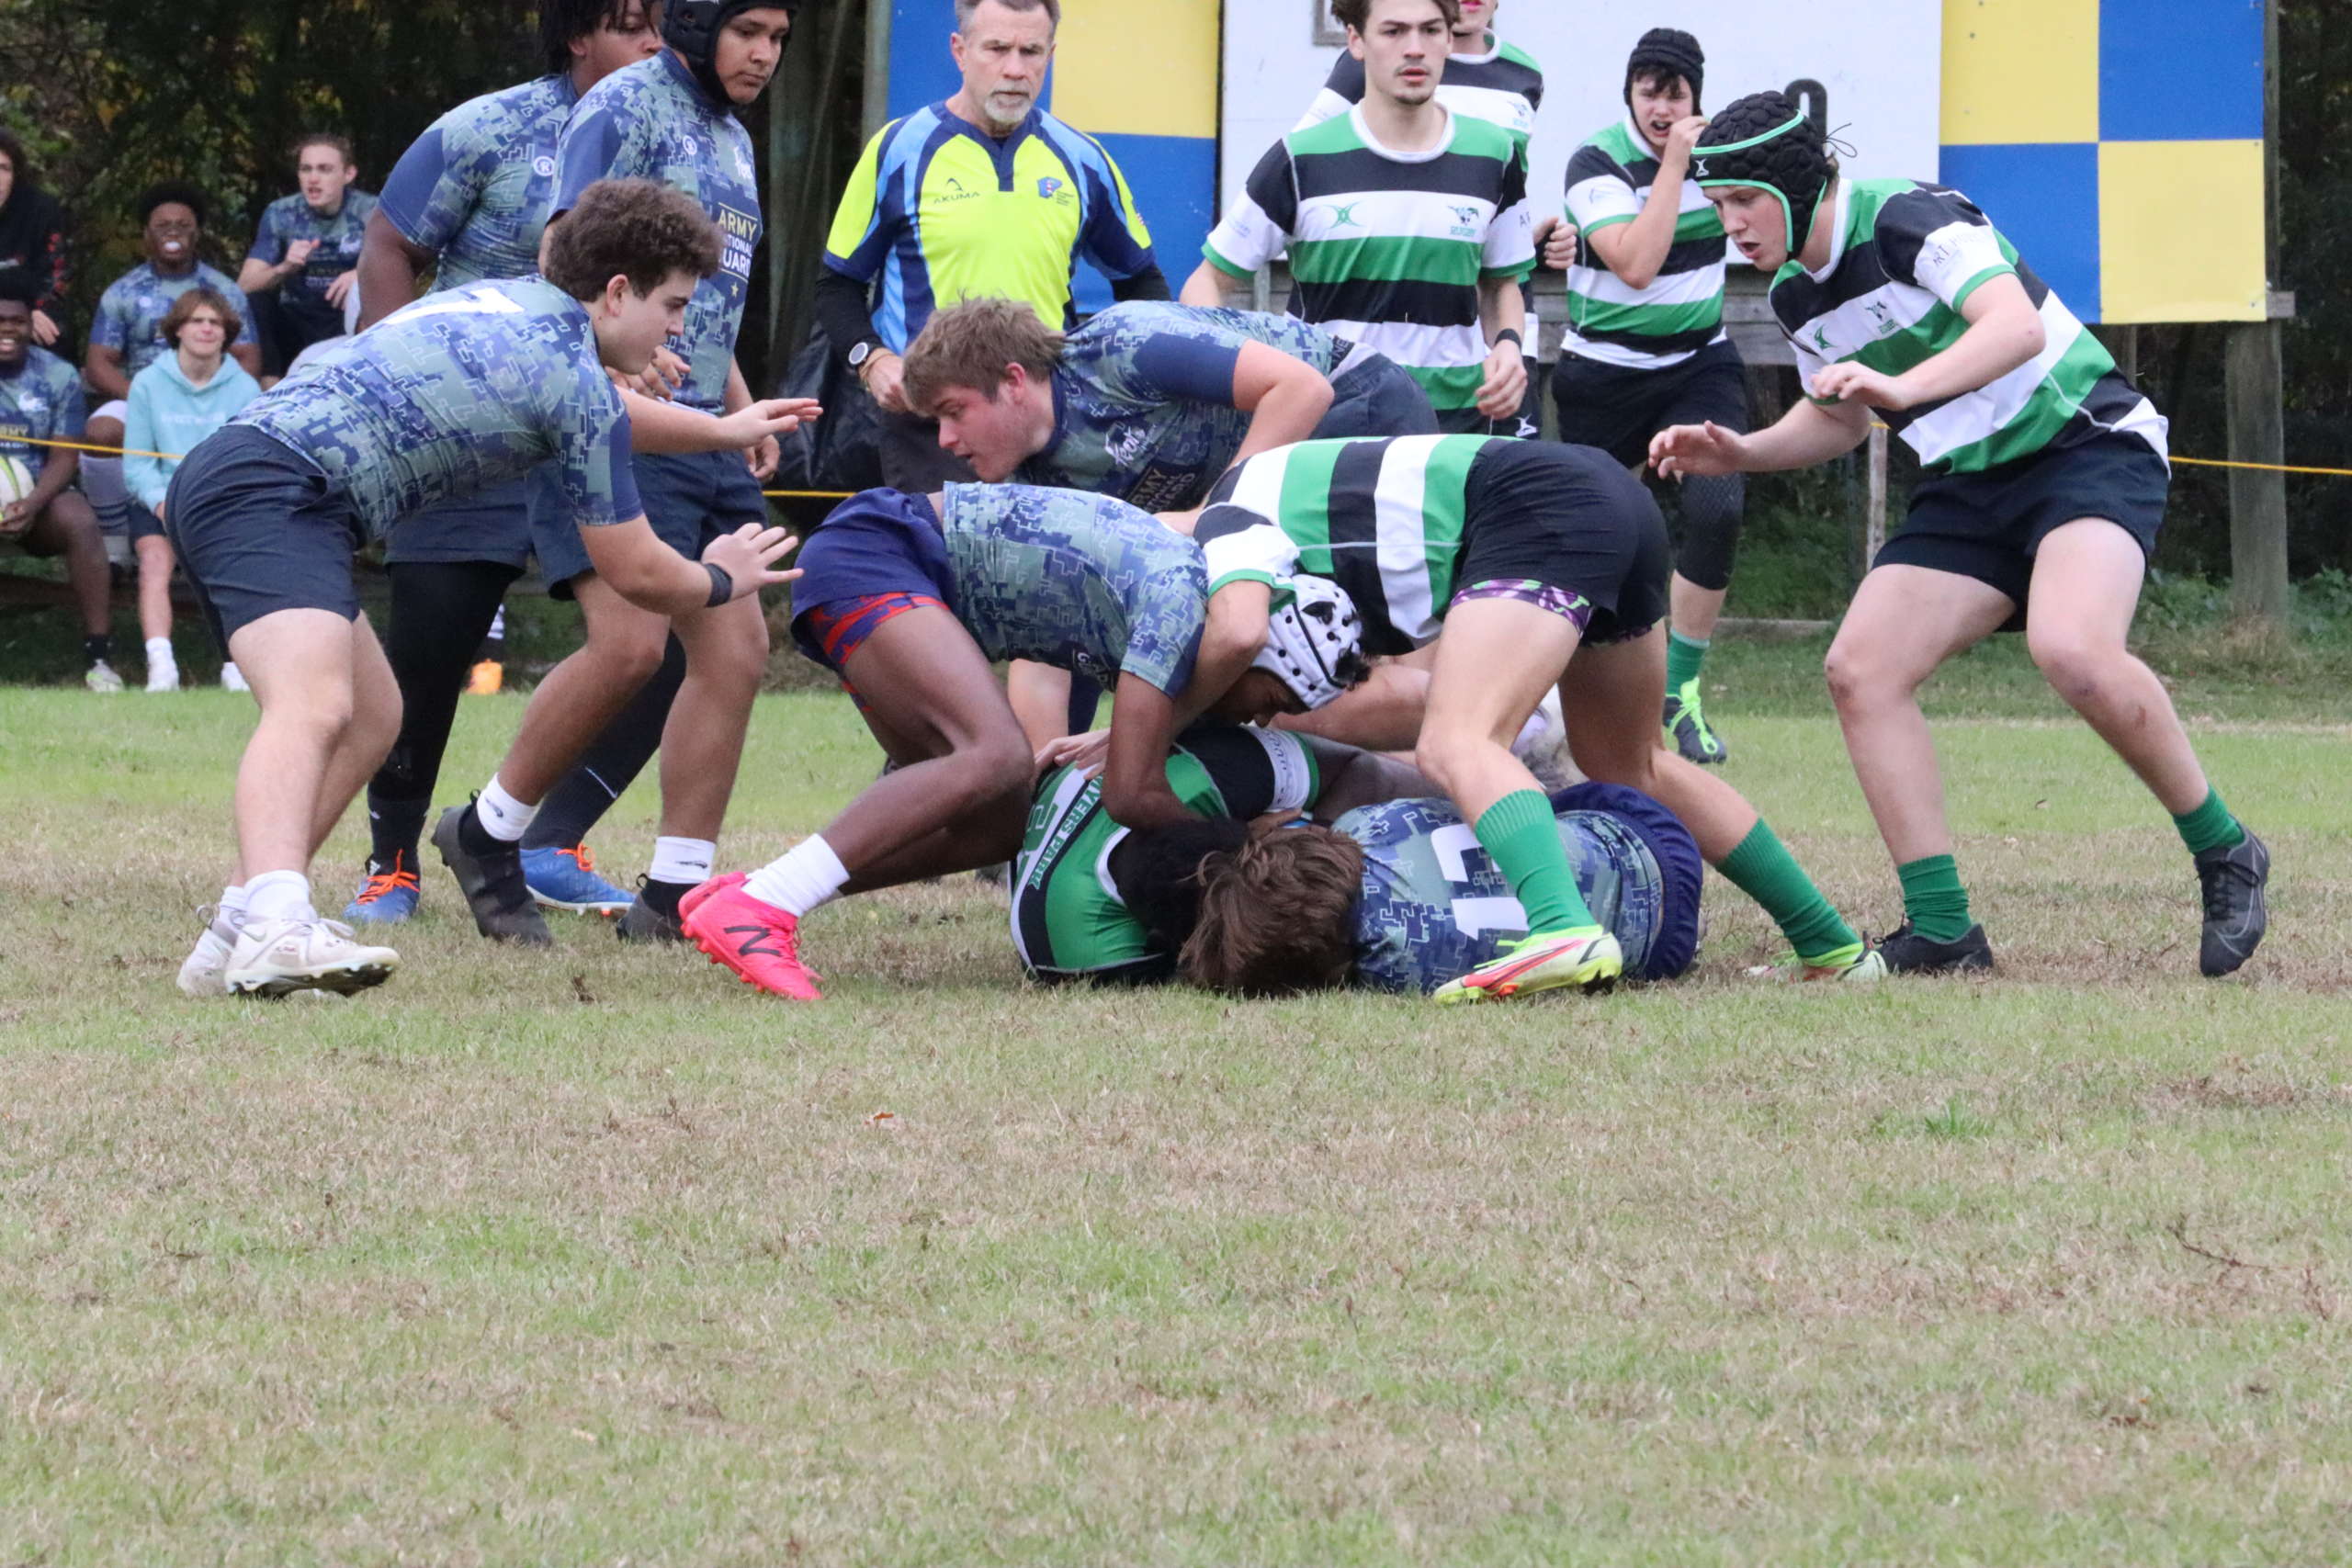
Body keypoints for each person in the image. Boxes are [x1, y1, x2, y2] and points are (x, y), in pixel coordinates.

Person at [1654, 93, 2270, 978]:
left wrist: (1904, 389)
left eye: (1743, 201)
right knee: (1860, 669)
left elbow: (2014, 326)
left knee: (2072, 648)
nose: (1731, 226)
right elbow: (1839, 417)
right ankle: (1945, 931)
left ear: (1792, 186)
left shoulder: (1909, 218)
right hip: (1968, 484)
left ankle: (2226, 848)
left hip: (2084, 446)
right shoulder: (1793, 294)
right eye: (1718, 207)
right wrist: (1741, 452)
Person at [164, 178, 812, 1001]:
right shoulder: (571, 378)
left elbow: (607, 413)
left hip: (254, 475)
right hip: (271, 489)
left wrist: (721, 430)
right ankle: (275, 925)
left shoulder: (514, 302)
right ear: (617, 293)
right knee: (315, 704)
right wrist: (722, 578)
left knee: (374, 715)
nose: (681, 328)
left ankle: (234, 930)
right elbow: (638, 569)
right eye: (674, 305)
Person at [1193, 433, 1879, 999]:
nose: (1259, 717)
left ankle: (1561, 928)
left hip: (1539, 509)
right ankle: (1831, 946)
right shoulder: (1271, 544)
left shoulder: (1212, 536)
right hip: (1602, 496)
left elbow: (1238, 636)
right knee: (1632, 764)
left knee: (1458, 741)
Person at [677, 482, 1370, 1001]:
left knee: (999, 820)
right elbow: (1131, 795)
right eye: (1273, 700)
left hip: (886, 565)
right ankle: (764, 905)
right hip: (881, 551)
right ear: (1262, 658)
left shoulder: (1190, 615)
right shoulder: (1181, 610)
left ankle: (752, 892)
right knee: (998, 756)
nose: (1263, 721)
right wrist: (1249, 847)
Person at [435, 0, 800, 950]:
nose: (764, 54)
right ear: (697, 23)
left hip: (704, 429)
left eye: (778, 38)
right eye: (748, 32)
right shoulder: (623, 103)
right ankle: (487, 831)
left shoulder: (734, 137)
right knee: (631, 646)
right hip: (614, 419)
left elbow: (701, 296)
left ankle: (675, 893)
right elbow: (562, 250)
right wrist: (607, 364)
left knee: (737, 648)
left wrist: (737, 406)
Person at [342, 0, 668, 930]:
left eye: (662, 24)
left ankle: (545, 839)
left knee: (661, 634)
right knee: (431, 647)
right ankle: (391, 862)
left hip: (599, 424)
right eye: (632, 24)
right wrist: (404, 381)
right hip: (469, 422)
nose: (654, 43)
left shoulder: (674, 140)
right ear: (578, 35)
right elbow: (390, 244)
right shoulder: (488, 128)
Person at [816, 0, 1168, 492]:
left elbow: (1142, 285)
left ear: (1050, 55)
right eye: (997, 49)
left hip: (1048, 424)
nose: (1015, 69)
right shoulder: (899, 150)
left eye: (1031, 52)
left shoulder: (1082, 158)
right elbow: (837, 286)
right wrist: (871, 360)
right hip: (934, 425)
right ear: (959, 51)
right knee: (945, 545)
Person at [1184, 0, 1533, 438]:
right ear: (1356, 41)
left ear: (1449, 39)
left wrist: (1508, 345)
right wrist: (1231, 376)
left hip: (1452, 429)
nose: (1414, 48)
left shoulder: (1495, 153)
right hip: (1329, 426)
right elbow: (1208, 281)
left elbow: (1501, 284)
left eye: (1430, 30)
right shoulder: (1300, 157)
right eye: (1393, 31)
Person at [1544, 29, 1747, 767]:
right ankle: (1565, 697)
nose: (1661, 108)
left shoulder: (1723, 156)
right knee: (1593, 540)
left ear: (1697, 96)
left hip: (1698, 365)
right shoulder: (1596, 161)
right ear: (1629, 93)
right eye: (1648, 92)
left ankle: (1681, 692)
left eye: (1675, 93)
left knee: (1717, 506)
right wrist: (1674, 166)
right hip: (1604, 374)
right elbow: (1635, 263)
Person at [1172, 780, 1705, 997]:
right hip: (1648, 837)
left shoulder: (1389, 975)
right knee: (1524, 804)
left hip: (1662, 948)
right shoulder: (1371, 826)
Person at [903, 296, 1433, 509]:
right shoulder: (1031, 483)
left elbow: (1301, 389)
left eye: (954, 412)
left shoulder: (1124, 347)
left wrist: (1214, 514)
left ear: (1013, 381)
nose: (945, 441)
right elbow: (1046, 664)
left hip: (1358, 400)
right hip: (1277, 468)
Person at [1296, 0, 1547, 440]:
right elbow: (1305, 172)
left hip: (1493, 312)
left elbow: (1501, 200)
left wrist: (1537, 235)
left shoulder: (1523, 72)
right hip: (1383, 320)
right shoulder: (1381, 62)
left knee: (1499, 467)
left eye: (1431, 32)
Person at [82, 184, 263, 569]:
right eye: (163, 225)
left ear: (197, 234)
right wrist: (145, 398)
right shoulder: (124, 291)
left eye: (183, 225)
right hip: (141, 394)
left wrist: (221, 394)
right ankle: (115, 543)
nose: (173, 232)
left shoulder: (223, 290)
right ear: (147, 234)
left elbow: (248, 355)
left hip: (211, 394)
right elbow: (98, 363)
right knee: (101, 432)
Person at [120, 287, 262, 692]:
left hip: (220, 503)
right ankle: (161, 666)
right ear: (178, 330)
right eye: (197, 320)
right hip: (159, 500)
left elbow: (246, 464)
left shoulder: (246, 388)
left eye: (215, 322)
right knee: (154, 562)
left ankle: (237, 664)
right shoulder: (147, 383)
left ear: (227, 333)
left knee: (236, 567)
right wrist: (163, 504)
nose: (206, 329)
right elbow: (136, 465)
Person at [0, 269, 113, 690]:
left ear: (32, 323)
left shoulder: (58, 375)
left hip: (39, 501)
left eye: (17, 321)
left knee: (80, 519)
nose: (7, 330)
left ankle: (99, 657)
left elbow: (65, 456)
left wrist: (30, 505)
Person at [238, 133, 379, 374]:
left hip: (347, 317)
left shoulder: (371, 210)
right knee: (256, 301)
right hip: (295, 318)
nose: (313, 179)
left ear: (348, 174)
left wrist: (360, 273)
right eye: (306, 169)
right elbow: (244, 285)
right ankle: (269, 381)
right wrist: (284, 267)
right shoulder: (281, 213)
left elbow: (402, 264)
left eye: (324, 169)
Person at [0, 129, 68, 349]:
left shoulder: (40, 210)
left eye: (4, 168)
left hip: (29, 318)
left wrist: (34, 312)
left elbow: (56, 277)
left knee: (52, 334)